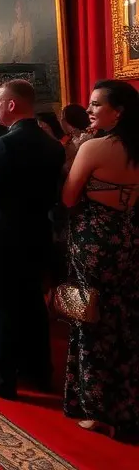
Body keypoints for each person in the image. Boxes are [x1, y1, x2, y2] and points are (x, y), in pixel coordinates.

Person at [0, 79, 65, 398]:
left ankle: (0, 378)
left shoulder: (4, 144)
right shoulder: (51, 144)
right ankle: (37, 370)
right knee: (32, 306)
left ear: (11, 104)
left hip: (1, 237)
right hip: (35, 232)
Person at [60, 80, 139, 439]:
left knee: (90, 317)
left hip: (94, 240)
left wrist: (76, 153)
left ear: (117, 111)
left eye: (95, 105)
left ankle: (95, 409)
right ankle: (127, 403)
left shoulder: (95, 147)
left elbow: (68, 198)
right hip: (130, 236)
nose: (89, 110)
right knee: (126, 319)